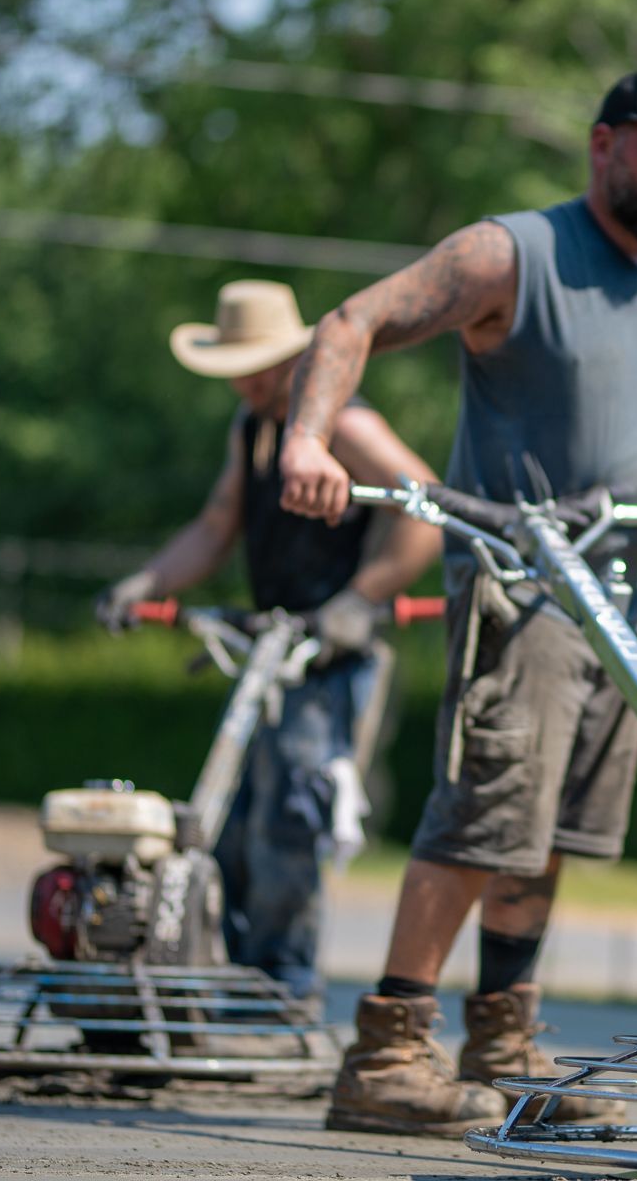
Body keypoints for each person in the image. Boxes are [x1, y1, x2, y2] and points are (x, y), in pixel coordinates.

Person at [279, 65, 637, 1135]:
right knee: (486, 814)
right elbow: (352, 321)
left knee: (551, 835)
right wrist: (306, 438)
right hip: (518, 582)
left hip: (624, 606)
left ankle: (504, 1045)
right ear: (604, 145)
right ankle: (388, 1054)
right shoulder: (514, 255)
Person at [96, 278, 442, 1013]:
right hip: (271, 651)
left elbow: (425, 508)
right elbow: (218, 524)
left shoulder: (343, 425)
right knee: (237, 824)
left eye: (257, 366)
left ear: (294, 360)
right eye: (237, 368)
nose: (246, 383)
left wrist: (359, 600)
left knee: (293, 815)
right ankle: (244, 980)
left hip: (330, 657)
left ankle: (283, 994)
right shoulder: (252, 427)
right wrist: (146, 581)